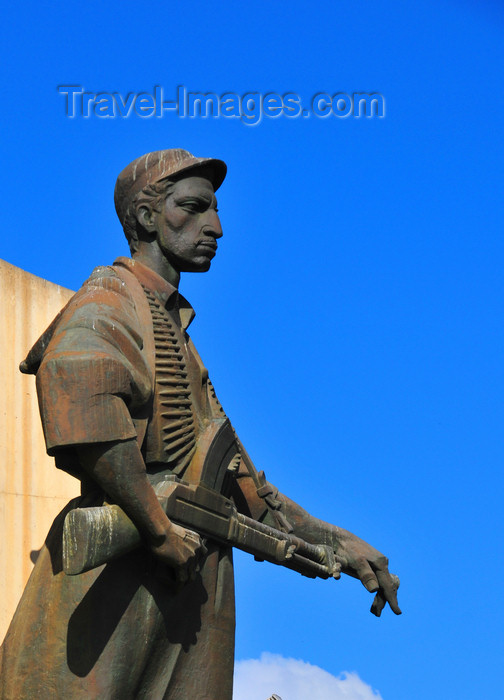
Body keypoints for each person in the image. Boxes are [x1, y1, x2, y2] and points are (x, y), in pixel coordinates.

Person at [0, 149, 400, 699]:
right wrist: (158, 528)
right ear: (147, 218)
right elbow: (81, 399)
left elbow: (248, 492)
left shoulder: (178, 335)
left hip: (190, 581)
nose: (216, 227)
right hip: (136, 566)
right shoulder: (111, 299)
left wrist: (340, 544)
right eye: (195, 208)